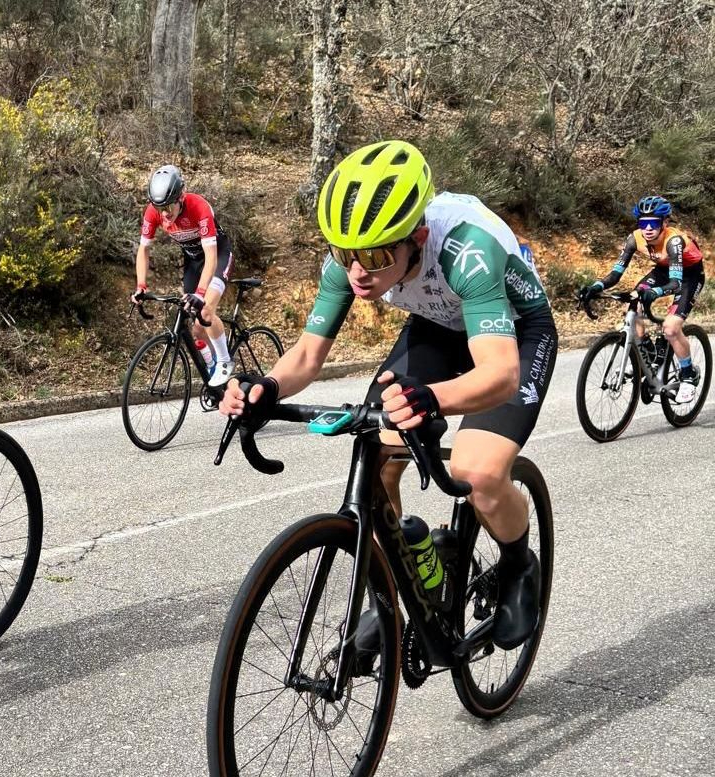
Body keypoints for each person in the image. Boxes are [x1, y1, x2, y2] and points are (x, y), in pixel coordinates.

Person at [220, 140, 558, 651]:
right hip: (438, 327)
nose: (358, 272)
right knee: (379, 454)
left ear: (417, 238)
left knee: (477, 472)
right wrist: (264, 387)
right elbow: (308, 354)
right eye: (344, 254)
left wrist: (432, 400)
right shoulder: (353, 260)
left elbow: (501, 374)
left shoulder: (467, 251)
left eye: (376, 257)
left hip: (516, 330)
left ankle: (517, 564)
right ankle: (395, 602)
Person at [579, 196, 704, 402]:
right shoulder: (634, 238)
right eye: (643, 223)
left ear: (664, 223)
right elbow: (615, 275)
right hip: (663, 271)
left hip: (688, 276)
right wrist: (596, 286)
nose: (647, 228)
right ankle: (649, 354)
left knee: (671, 328)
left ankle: (689, 375)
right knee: (633, 307)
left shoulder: (673, 242)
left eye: (653, 223)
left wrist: (654, 293)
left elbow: (675, 284)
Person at [132, 165, 236, 386]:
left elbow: (210, 257)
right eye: (160, 207)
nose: (165, 213)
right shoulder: (154, 212)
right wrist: (141, 286)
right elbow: (143, 250)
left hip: (217, 256)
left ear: (181, 197)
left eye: (170, 205)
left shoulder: (199, 207)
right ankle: (211, 367)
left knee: (205, 310)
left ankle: (226, 361)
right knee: (197, 328)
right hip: (192, 261)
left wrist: (200, 293)